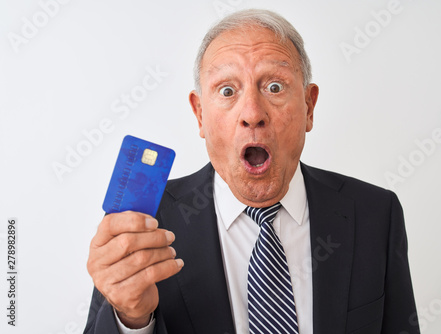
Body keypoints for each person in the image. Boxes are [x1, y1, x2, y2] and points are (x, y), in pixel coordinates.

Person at [84, 8, 420, 334]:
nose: (252, 113)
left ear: (309, 107)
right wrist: (132, 320)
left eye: (274, 87)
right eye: (227, 91)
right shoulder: (141, 224)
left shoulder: (376, 213)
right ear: (200, 115)